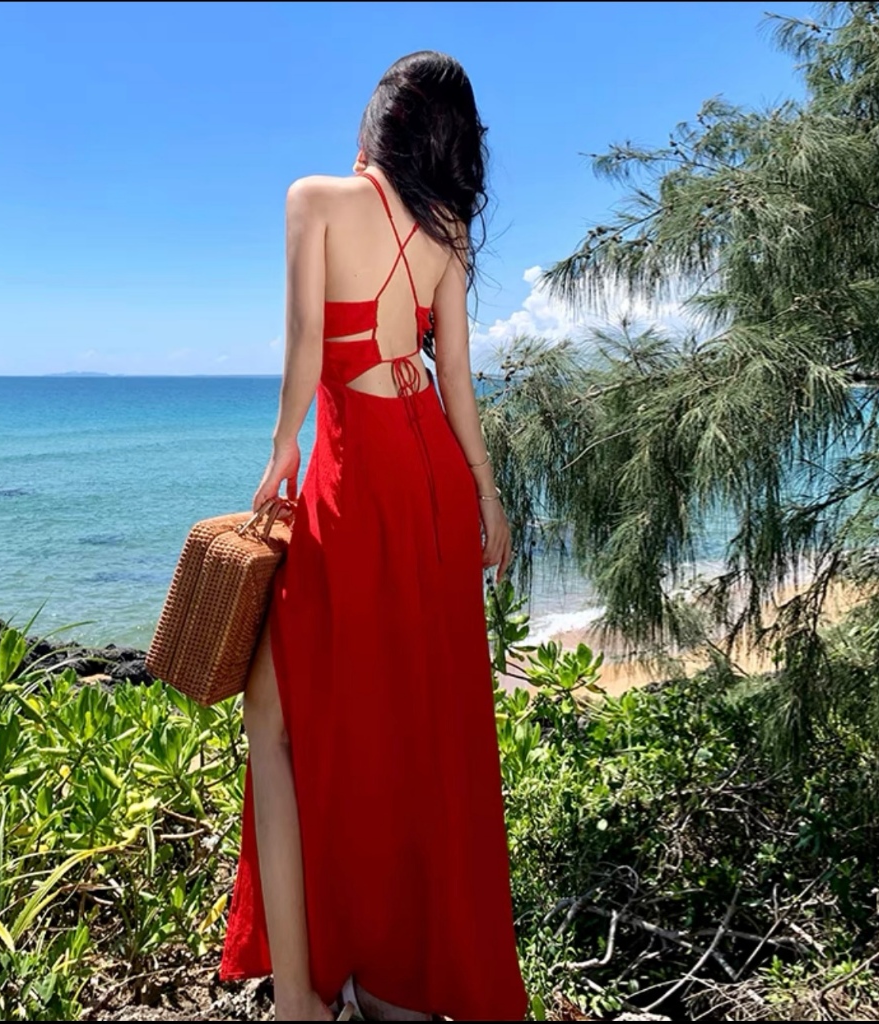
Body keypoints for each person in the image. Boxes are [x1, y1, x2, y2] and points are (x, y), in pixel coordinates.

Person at [218, 51, 528, 1023]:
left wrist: (281, 448)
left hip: (354, 480)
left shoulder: (313, 198)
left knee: (276, 716)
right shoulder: (450, 234)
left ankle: (302, 996)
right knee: (419, 722)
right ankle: (395, 979)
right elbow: (457, 381)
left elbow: (305, 347)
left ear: (379, 123)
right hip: (429, 474)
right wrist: (487, 495)